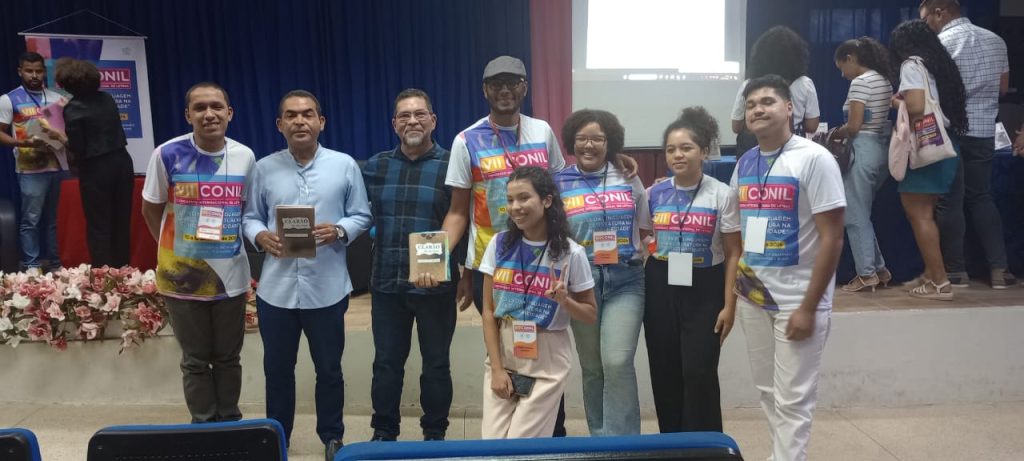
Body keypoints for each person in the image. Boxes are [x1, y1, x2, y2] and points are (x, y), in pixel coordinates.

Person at [242, 90, 371, 460]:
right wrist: (259, 235)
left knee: (329, 369)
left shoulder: (344, 165)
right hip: (276, 291)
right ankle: (276, 437)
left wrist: (340, 229)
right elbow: (250, 216)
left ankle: (332, 436)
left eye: (308, 114)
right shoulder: (264, 168)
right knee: (277, 370)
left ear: (321, 122)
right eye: (291, 115)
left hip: (327, 288)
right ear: (279, 124)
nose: (300, 121)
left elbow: (362, 214)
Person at [731, 75, 845, 461]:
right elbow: (735, 225)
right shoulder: (746, 162)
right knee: (768, 392)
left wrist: (810, 307)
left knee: (794, 399)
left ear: (789, 107)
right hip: (753, 294)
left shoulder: (814, 158)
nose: (757, 110)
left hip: (798, 297)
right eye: (751, 105)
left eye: (767, 101)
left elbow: (833, 238)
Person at [140, 82, 255, 424]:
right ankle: (203, 426)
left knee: (228, 358)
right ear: (188, 115)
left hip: (230, 277)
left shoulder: (245, 156)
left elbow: (246, 209)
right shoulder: (166, 154)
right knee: (194, 361)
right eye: (200, 108)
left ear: (229, 113)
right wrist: (175, 252)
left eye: (216, 107)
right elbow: (151, 210)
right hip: (181, 278)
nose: (209, 114)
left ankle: (229, 423)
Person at [362, 89, 460, 441]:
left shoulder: (452, 166)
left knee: (436, 364)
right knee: (386, 364)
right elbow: (357, 213)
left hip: (436, 286)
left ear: (433, 121)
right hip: (387, 283)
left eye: (420, 114)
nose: (412, 121)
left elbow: (461, 217)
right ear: (394, 124)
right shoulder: (375, 167)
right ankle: (384, 432)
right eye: (404, 115)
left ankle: (434, 434)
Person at [479, 165, 597, 439]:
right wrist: (496, 368)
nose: (515, 207)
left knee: (521, 446)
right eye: (510, 200)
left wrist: (565, 301)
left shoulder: (571, 253)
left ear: (546, 200)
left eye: (524, 198)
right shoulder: (499, 244)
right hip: (504, 352)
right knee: (492, 446)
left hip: (547, 355)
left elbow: (590, 314)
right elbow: (488, 311)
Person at [644, 107, 741, 433]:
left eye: (686, 148)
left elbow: (733, 252)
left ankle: (704, 445)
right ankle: (671, 443)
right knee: (664, 368)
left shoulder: (722, 194)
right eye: (671, 149)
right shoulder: (654, 193)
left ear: (703, 152)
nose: (677, 155)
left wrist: (729, 306)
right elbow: (643, 235)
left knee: (699, 371)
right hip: (660, 284)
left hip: (705, 286)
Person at [553, 109, 648, 436]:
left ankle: (625, 447)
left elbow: (645, 226)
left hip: (626, 280)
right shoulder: (560, 181)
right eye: (582, 138)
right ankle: (600, 441)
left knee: (617, 362)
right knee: (592, 367)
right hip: (582, 283)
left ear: (610, 143)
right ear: (571, 142)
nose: (589, 145)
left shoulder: (628, 176)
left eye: (598, 138)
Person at [920, 0, 1016, 289]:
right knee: (982, 197)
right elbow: (1002, 88)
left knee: (949, 200)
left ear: (939, 12)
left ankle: (956, 272)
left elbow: (931, 94)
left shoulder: (939, 44)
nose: (926, 26)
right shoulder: (996, 40)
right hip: (985, 130)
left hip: (950, 130)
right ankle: (999, 270)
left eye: (926, 20)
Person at [890, 19, 969, 300]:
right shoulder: (937, 65)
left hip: (924, 147)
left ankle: (939, 282)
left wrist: (895, 102)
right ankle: (930, 273)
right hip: (943, 144)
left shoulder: (911, 65)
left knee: (919, 214)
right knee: (928, 213)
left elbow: (916, 106)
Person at [45, 58, 134, 268]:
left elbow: (78, 147)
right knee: (121, 221)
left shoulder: (72, 109)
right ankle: (124, 272)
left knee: (98, 225)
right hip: (122, 163)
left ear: (67, 84)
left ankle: (104, 275)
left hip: (96, 170)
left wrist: (58, 136)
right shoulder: (107, 98)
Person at [833, 37, 896, 292]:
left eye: (841, 67)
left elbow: (854, 126)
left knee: (854, 215)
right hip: (881, 149)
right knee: (861, 212)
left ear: (850, 58)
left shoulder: (860, 82)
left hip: (861, 149)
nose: (842, 74)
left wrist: (836, 132)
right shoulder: (884, 81)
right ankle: (879, 270)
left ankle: (866, 274)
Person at [0, 51, 70, 271]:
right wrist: (21, 143)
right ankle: (32, 264)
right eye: (29, 71)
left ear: (44, 72)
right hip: (30, 169)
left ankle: (57, 264)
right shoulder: (9, 99)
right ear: (20, 71)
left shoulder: (58, 98)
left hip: (59, 166)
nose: (34, 75)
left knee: (56, 219)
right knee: (31, 220)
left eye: (38, 71)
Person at [730, 26, 820, 152]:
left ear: (759, 56)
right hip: (791, 147)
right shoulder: (805, 83)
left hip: (754, 147)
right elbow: (812, 126)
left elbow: (736, 126)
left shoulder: (749, 85)